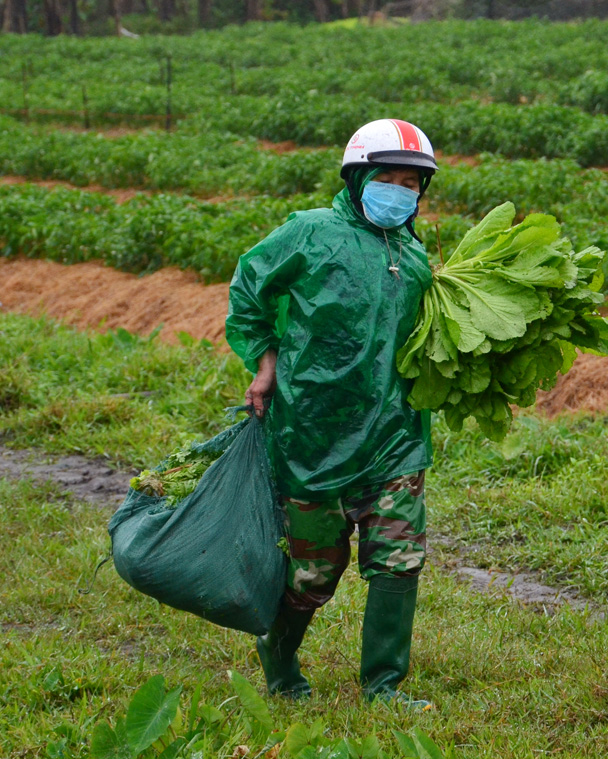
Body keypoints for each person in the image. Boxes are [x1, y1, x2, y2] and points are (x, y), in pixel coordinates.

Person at [225, 119, 438, 710]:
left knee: (399, 561)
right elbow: (249, 290)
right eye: (388, 179)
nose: (400, 192)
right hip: (312, 431)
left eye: (412, 184)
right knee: (312, 574)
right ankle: (279, 662)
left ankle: (383, 687)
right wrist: (266, 362)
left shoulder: (416, 257)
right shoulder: (311, 232)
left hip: (395, 433)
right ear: (357, 178)